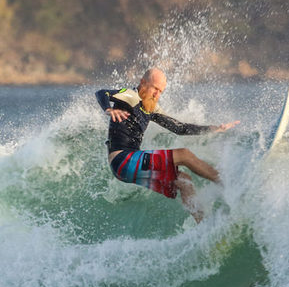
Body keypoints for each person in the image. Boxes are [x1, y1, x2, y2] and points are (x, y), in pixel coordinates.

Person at [96, 68, 238, 221]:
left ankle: (203, 224)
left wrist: (213, 129)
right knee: (184, 154)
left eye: (161, 91)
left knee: (184, 181)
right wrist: (109, 109)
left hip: (125, 168)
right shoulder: (130, 96)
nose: (157, 95)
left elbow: (180, 128)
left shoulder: (151, 108)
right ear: (143, 83)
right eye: (155, 89)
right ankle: (229, 183)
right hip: (123, 159)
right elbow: (102, 93)